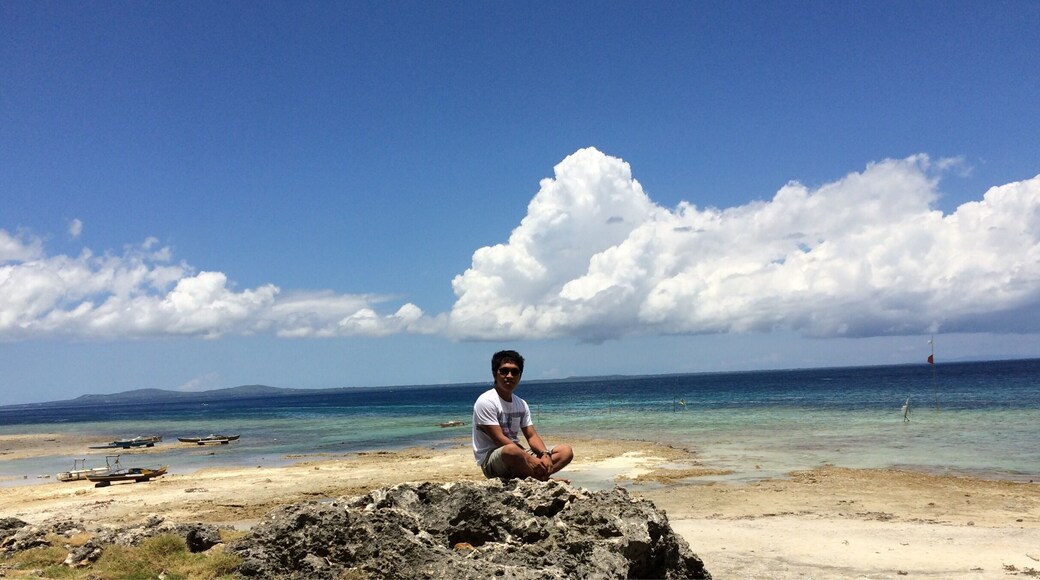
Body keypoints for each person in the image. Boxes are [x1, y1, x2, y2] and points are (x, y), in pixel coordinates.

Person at [472, 350, 573, 480]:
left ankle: (534, 476)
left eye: (514, 372)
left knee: (565, 451)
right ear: (494, 374)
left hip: (518, 455)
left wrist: (545, 454)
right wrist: (529, 458)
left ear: (520, 375)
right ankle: (544, 480)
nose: (509, 375)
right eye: (504, 371)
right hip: (494, 459)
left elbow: (531, 435)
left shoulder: (521, 403)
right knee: (512, 451)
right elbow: (499, 439)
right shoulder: (486, 401)